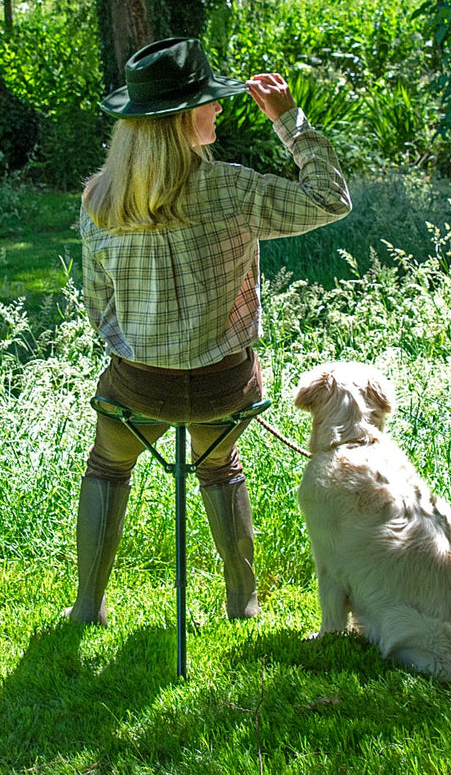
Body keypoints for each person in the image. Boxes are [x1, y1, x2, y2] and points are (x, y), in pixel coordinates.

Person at [67, 36, 352, 625]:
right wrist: (289, 120)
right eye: (208, 101)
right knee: (220, 465)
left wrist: (142, 344)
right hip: (226, 390)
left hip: (140, 390)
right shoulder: (234, 189)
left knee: (107, 465)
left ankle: (87, 607)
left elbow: (99, 308)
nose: (219, 107)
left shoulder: (102, 199)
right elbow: (330, 199)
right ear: (179, 119)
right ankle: (242, 600)